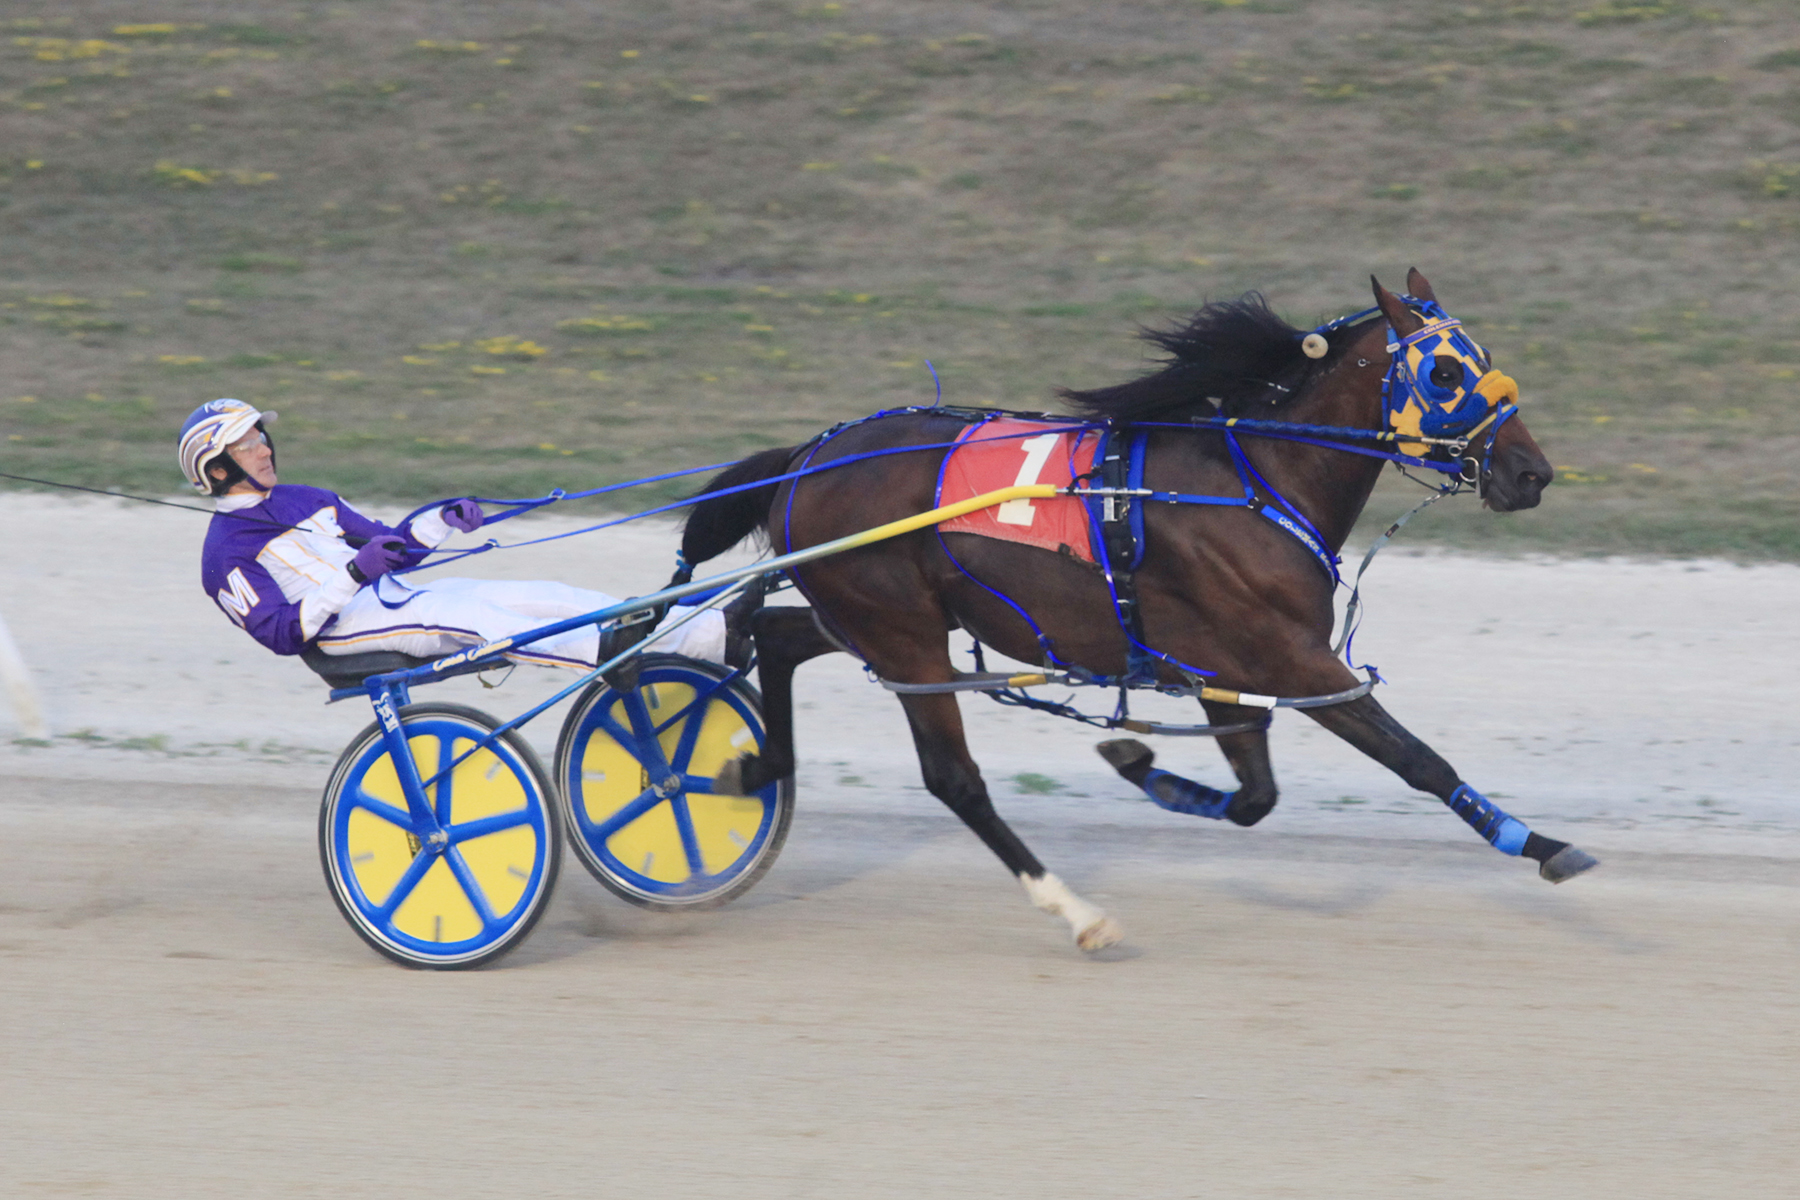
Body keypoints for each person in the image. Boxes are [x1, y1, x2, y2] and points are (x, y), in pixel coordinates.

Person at [179, 398, 727, 672]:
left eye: (261, 436)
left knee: (543, 594)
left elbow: (392, 548)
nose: (265, 448)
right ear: (217, 467)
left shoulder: (308, 498)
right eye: (246, 444)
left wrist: (441, 520)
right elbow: (279, 634)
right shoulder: (223, 551)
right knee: (484, 621)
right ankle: (609, 656)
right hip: (347, 631)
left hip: (398, 598)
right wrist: (351, 574)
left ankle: (707, 634)